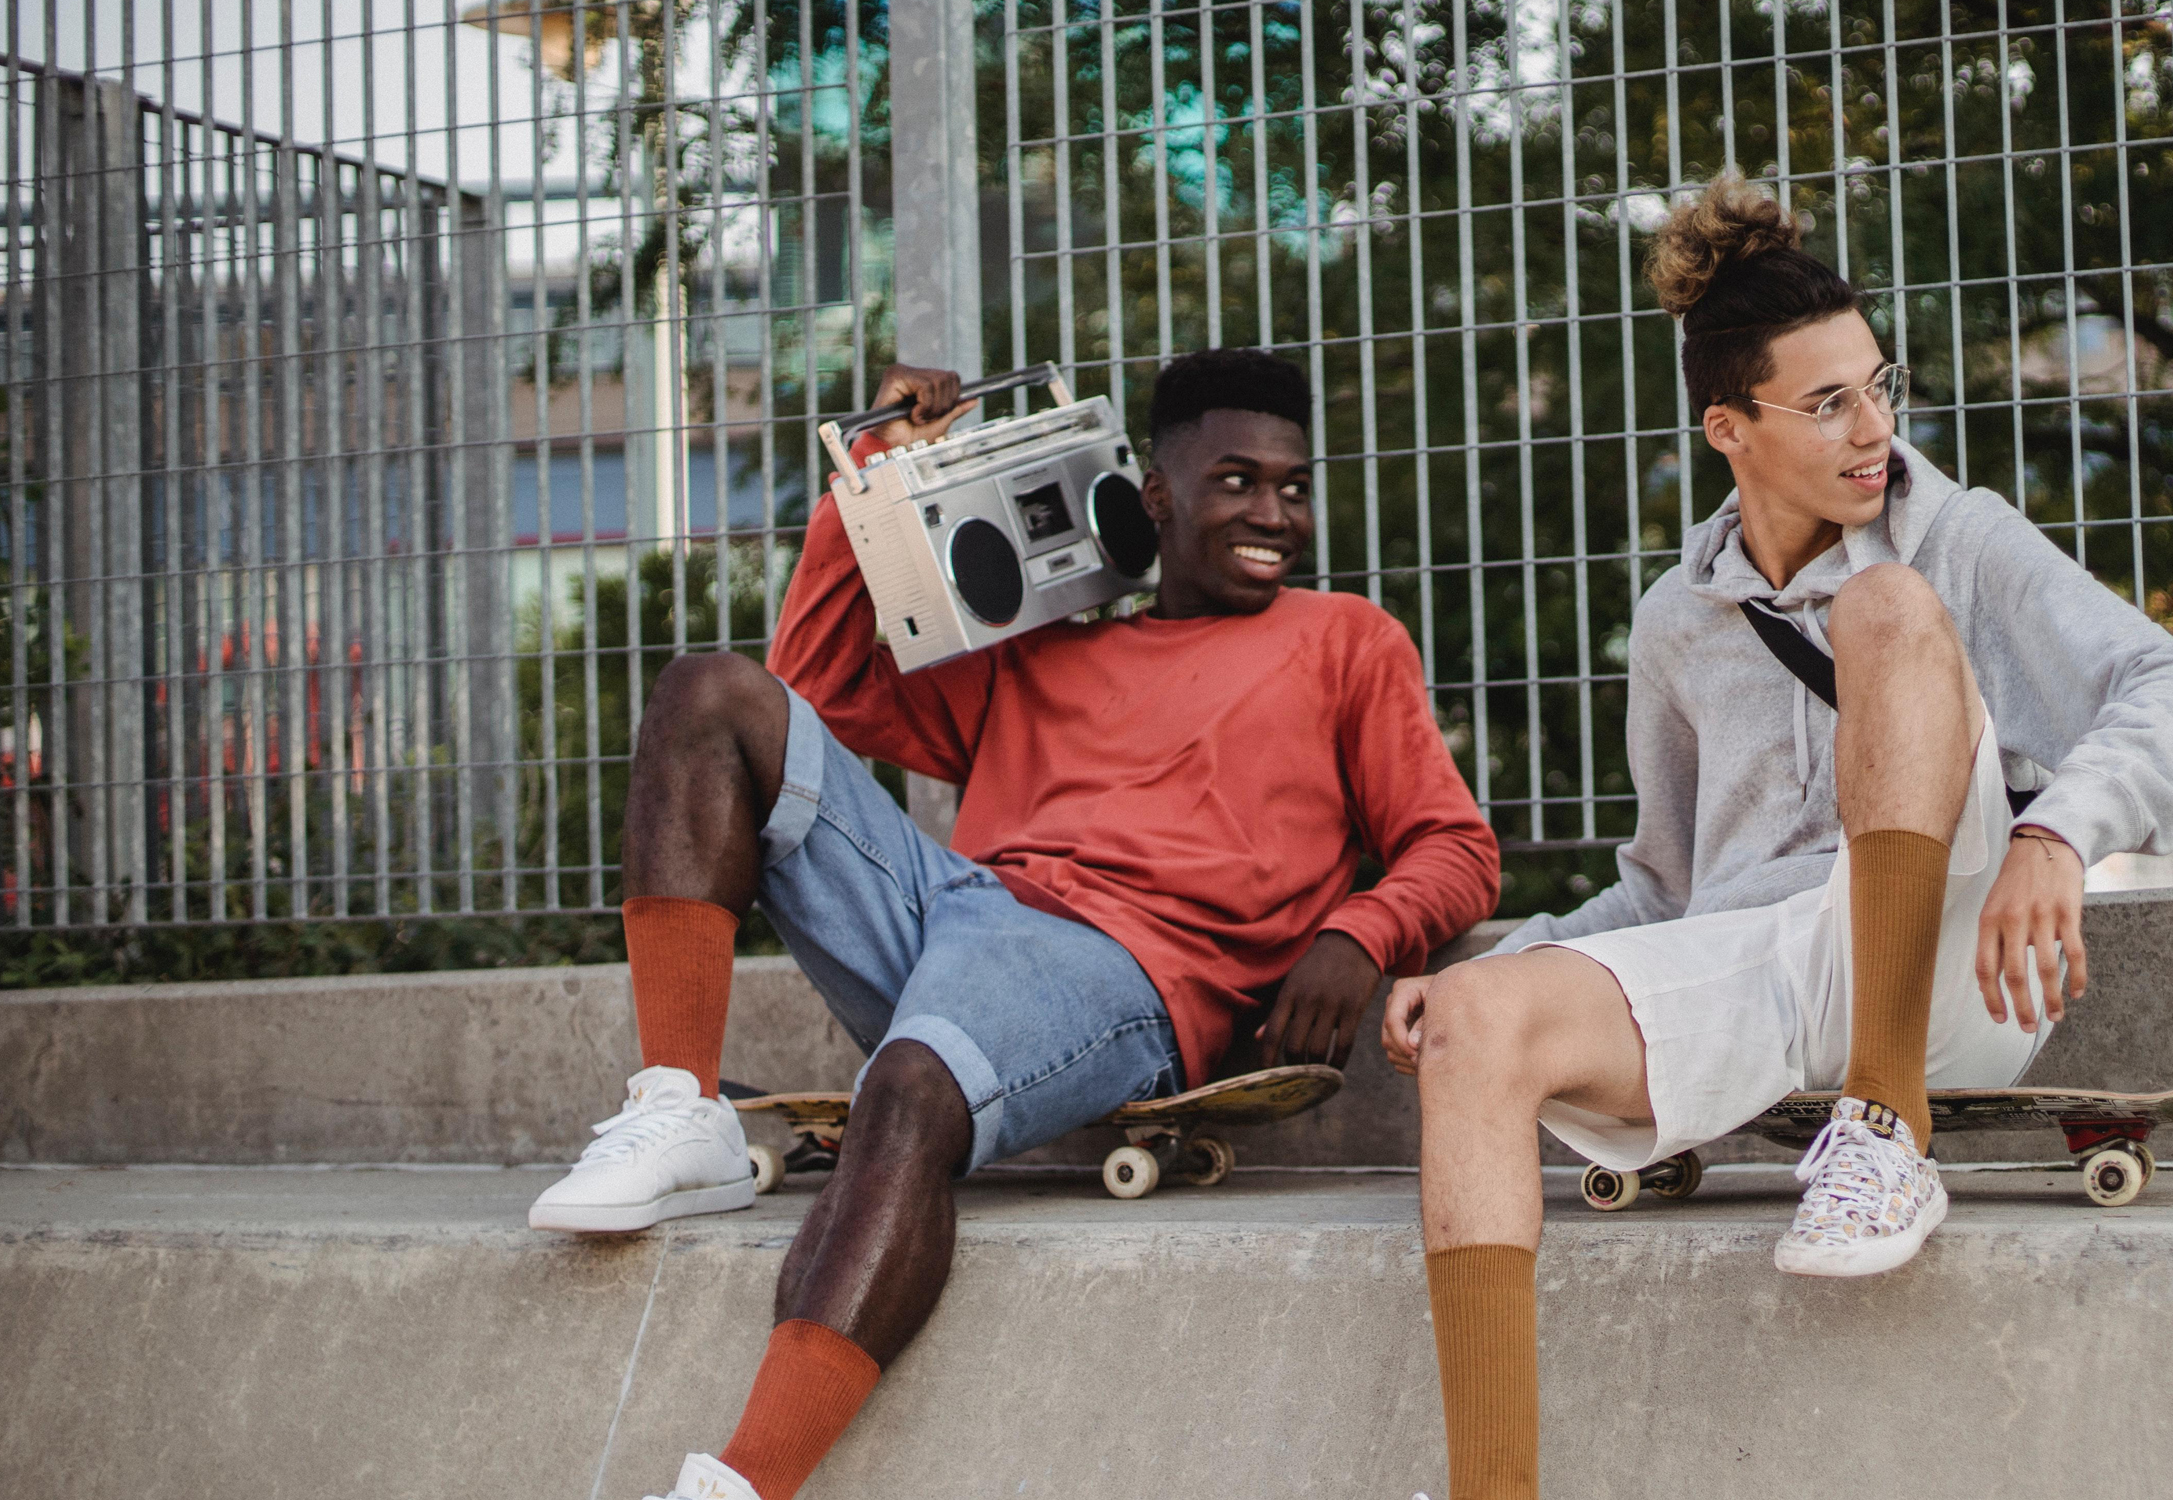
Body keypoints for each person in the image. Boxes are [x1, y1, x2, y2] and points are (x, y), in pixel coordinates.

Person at [1382, 173, 2173, 1498]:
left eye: (1879, 386)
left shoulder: (1956, 541)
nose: (1875, 428)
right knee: (1478, 1026)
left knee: (1885, 608)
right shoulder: (1678, 622)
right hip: (1766, 977)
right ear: (1729, 427)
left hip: (1943, 972)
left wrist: (2058, 835)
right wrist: (1493, 969)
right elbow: (1667, 886)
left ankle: (1887, 1133)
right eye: (1829, 402)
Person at [524, 348, 1502, 1500]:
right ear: (1155, 495)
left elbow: (1456, 846)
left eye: (1293, 487)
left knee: (906, 1093)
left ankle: (742, 1486)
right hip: (954, 913)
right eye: (1237, 482)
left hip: (1123, 969)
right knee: (712, 693)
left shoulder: (1345, 641)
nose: (1274, 515)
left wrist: (1360, 933)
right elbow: (813, 687)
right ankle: (677, 1108)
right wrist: (880, 466)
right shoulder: (1047, 643)